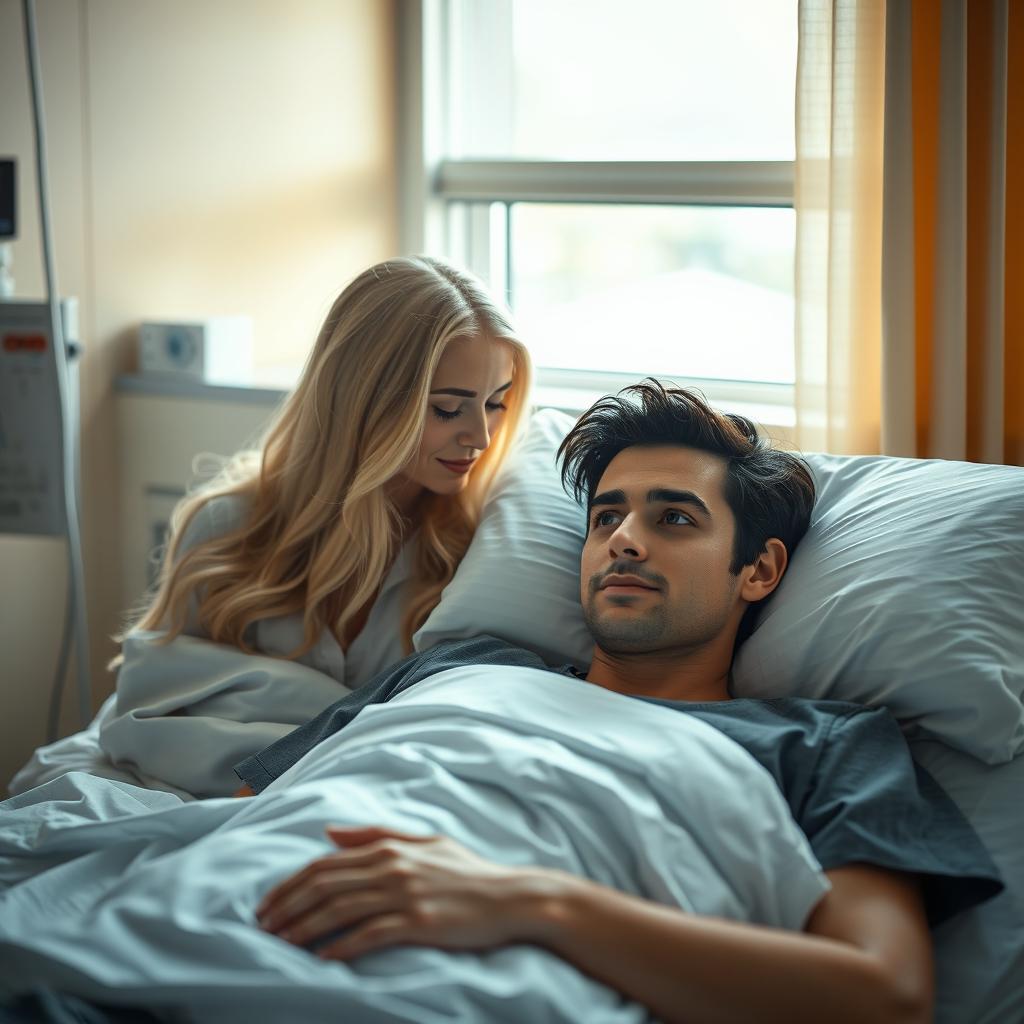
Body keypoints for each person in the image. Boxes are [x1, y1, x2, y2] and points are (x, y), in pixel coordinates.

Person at [240, 381, 1002, 1024]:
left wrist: (529, 902)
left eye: (673, 518)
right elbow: (250, 814)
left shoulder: (823, 744)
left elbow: (885, 994)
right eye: (606, 517)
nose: (624, 542)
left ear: (760, 570)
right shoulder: (457, 667)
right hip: (238, 909)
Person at [9, 255, 531, 796]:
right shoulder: (226, 529)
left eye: (496, 404)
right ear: (364, 400)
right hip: (192, 790)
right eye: (448, 409)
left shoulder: (479, 553)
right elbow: (150, 703)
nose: (481, 437)